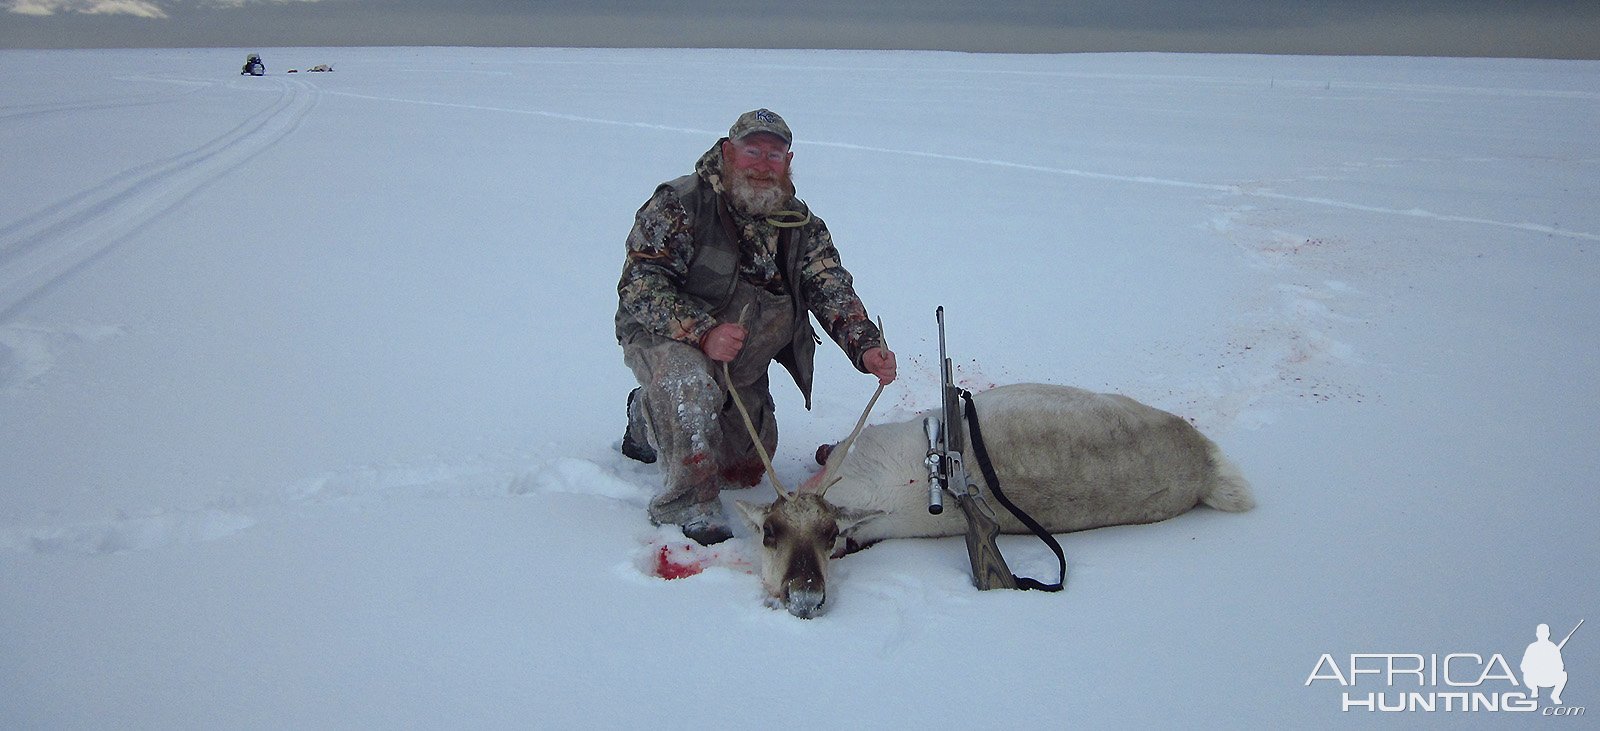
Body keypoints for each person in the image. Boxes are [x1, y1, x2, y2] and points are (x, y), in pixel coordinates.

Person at [616, 109, 896, 545]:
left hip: (742, 359)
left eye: (775, 154)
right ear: (728, 152)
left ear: (788, 161)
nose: (763, 164)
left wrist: (866, 346)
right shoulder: (678, 203)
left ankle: (649, 414)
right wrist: (702, 332)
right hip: (665, 336)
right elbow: (639, 285)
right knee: (688, 389)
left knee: (744, 469)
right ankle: (688, 501)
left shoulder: (802, 226)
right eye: (752, 151)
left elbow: (829, 286)